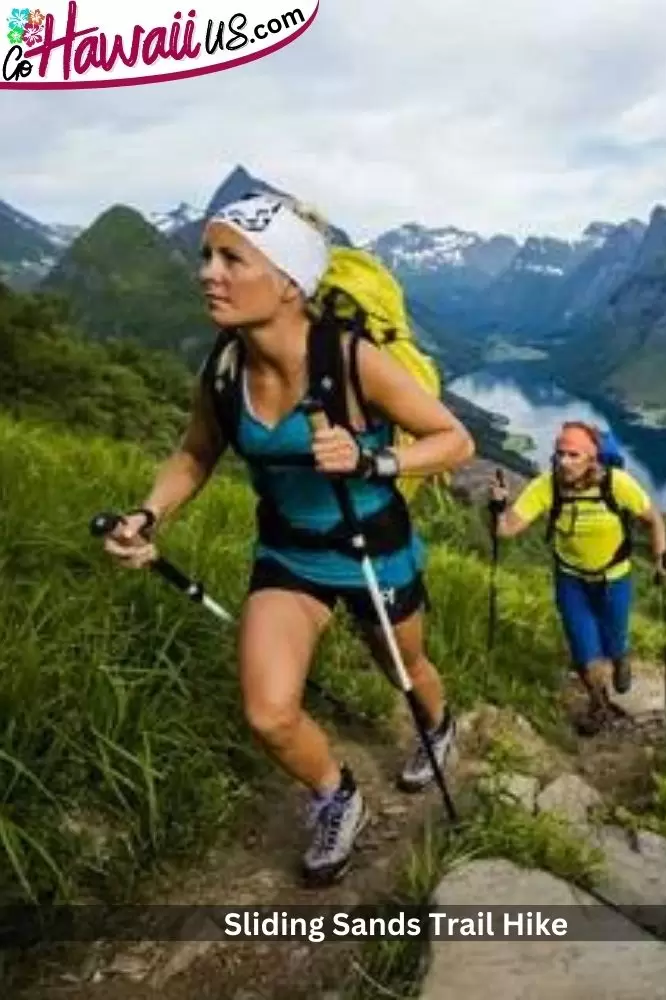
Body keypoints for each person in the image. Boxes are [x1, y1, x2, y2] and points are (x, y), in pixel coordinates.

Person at [102, 192, 475, 885]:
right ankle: (338, 796)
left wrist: (373, 461)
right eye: (207, 257)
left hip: (373, 550)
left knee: (404, 669)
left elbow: (454, 440)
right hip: (289, 556)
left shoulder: (352, 359)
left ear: (287, 282)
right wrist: (148, 516)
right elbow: (194, 453)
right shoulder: (223, 367)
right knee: (268, 713)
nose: (208, 273)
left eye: (231, 259)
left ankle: (440, 724)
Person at [489, 421, 666, 735]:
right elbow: (504, 529)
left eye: (573, 455)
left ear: (592, 458)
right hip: (571, 580)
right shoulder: (546, 486)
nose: (564, 461)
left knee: (614, 640)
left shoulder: (617, 484)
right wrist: (497, 506)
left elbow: (652, 518)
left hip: (614, 579)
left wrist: (662, 558)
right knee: (584, 651)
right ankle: (599, 705)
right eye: (559, 454)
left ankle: (620, 658)